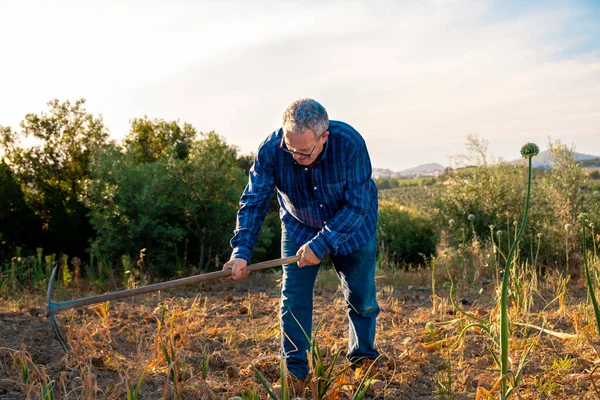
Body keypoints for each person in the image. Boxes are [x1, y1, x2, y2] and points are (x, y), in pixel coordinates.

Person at [223, 98, 380, 393]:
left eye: (304, 152)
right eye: (290, 148)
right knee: (293, 299)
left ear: (324, 137)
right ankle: (295, 372)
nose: (295, 156)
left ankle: (363, 360)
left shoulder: (350, 144)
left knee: (361, 299)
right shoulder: (271, 150)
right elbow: (254, 202)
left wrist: (321, 244)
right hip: (299, 226)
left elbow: (357, 206)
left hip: (353, 227)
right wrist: (241, 252)